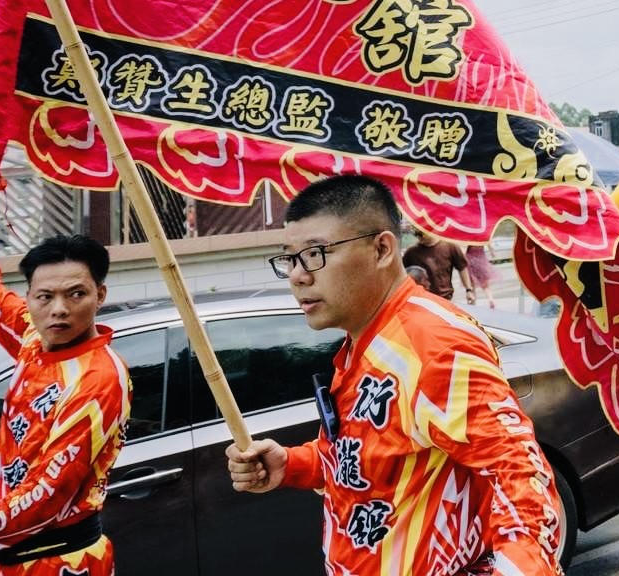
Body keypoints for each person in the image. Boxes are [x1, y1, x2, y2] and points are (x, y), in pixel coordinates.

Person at [227, 176, 560, 575]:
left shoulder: (433, 343)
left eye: (315, 253)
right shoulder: (362, 342)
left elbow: (520, 478)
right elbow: (367, 457)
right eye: (290, 258)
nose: (298, 275)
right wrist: (293, 464)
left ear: (382, 248)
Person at [0, 236, 129, 576]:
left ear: (101, 295)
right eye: (45, 296)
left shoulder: (98, 379)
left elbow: (46, 494)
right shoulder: (36, 338)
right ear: (30, 298)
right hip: (10, 551)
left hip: (58, 561)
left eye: (76, 294)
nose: (59, 309)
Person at [401, 229, 472, 301]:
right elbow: (401, 274)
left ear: (431, 230)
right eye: (416, 234)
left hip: (445, 298)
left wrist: (469, 290)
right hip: (423, 299)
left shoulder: (450, 246)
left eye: (421, 234)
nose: (419, 237)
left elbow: (462, 268)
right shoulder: (411, 252)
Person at [463, 242, 499, 309]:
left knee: (472, 285)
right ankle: (490, 299)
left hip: (470, 260)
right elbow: (489, 242)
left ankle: (472, 303)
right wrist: (492, 251)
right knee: (485, 284)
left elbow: (464, 248)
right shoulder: (482, 236)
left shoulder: (470, 235)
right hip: (481, 260)